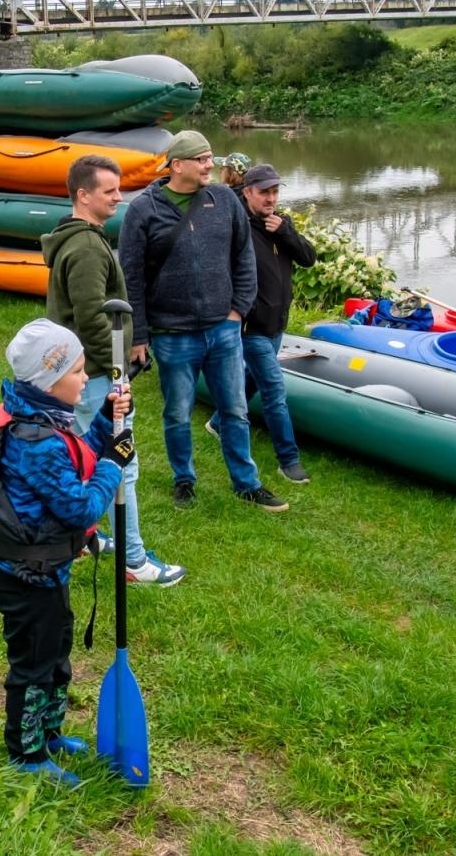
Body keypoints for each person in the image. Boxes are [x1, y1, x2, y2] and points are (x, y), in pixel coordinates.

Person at [0, 319, 134, 787]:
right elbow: (80, 505)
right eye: (78, 371)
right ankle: (26, 754)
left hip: (47, 571)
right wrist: (114, 464)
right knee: (33, 666)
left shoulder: (44, 421)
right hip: (28, 578)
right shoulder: (36, 440)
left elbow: (78, 455)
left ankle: (49, 731)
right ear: (50, 380)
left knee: (57, 655)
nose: (86, 379)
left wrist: (107, 420)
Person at [118, 130, 287, 513]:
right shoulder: (144, 210)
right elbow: (131, 276)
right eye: (202, 159)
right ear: (177, 165)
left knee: (235, 410)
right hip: (172, 334)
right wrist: (139, 335)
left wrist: (236, 312)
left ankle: (247, 483)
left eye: (211, 157)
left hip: (222, 330)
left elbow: (244, 258)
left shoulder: (225, 199)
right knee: (177, 412)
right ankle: (184, 480)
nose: (211, 165)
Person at [42, 154, 185, 587]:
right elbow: (90, 318)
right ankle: (134, 560)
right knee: (121, 462)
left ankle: (81, 537)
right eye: (109, 191)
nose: (118, 197)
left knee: (79, 459)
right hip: (95, 375)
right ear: (83, 195)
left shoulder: (78, 238)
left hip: (83, 371)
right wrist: (118, 371)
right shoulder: (86, 247)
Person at [231, 163, 318, 485]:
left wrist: (285, 231)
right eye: (264, 192)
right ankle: (288, 460)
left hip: (277, 323)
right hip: (251, 326)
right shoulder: (237, 227)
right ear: (248, 192)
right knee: (274, 390)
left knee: (253, 378)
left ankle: (217, 421)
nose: (271, 198)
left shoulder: (281, 223)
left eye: (275, 191)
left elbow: (308, 258)